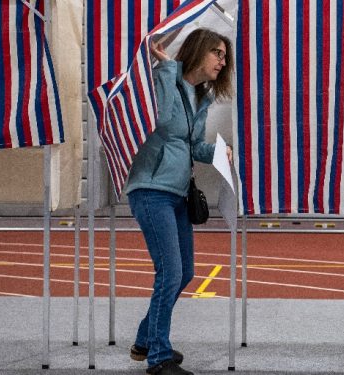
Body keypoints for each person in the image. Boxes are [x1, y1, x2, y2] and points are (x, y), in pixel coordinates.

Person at [123, 28, 233, 375]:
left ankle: (145, 340)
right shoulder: (165, 79)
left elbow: (190, 145)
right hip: (152, 189)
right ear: (198, 51)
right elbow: (163, 122)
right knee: (169, 272)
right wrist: (169, 68)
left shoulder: (201, 98)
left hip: (177, 193)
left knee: (184, 272)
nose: (222, 60)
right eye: (217, 52)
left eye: (224, 55)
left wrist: (220, 151)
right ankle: (159, 357)